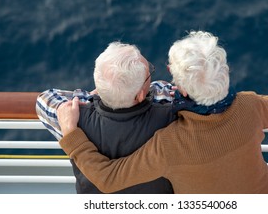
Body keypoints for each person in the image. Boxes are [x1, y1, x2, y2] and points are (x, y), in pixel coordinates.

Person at [57, 31, 268, 194]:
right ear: (225, 72)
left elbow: (108, 179)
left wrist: (71, 135)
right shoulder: (251, 106)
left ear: (181, 88)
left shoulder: (170, 143)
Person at [36, 42, 176, 194]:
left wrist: (98, 93)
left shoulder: (73, 121)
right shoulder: (171, 111)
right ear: (141, 95)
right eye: (149, 72)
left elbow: (44, 100)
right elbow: (163, 88)